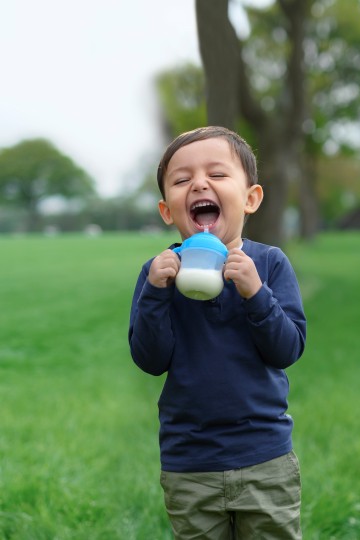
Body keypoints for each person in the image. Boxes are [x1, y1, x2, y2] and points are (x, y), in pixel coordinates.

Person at [128, 126, 307, 539]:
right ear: (167, 210)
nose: (199, 184)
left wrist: (255, 293)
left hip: (264, 456)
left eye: (217, 174)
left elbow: (288, 348)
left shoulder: (269, 265)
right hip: (189, 462)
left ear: (251, 198)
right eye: (182, 179)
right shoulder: (158, 273)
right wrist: (156, 292)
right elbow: (150, 359)